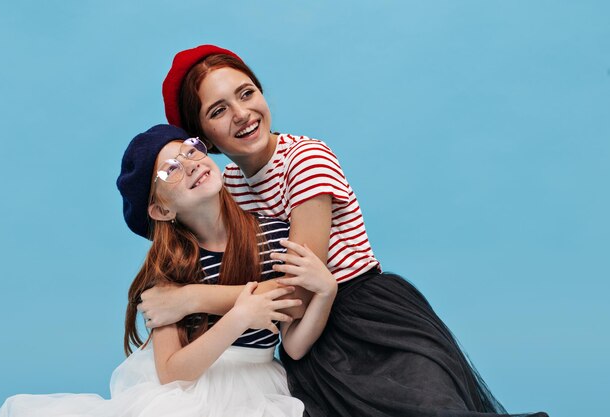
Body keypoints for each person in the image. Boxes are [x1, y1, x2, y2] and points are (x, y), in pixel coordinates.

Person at [136, 44, 549, 417]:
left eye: (247, 93)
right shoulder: (229, 186)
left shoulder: (306, 159)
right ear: (202, 137)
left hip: (367, 317)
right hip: (307, 344)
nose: (242, 114)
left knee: (431, 408)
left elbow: (294, 295)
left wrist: (189, 298)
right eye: (218, 110)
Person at [0, 124, 339, 417]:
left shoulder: (275, 236)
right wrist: (239, 317)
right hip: (190, 388)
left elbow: (293, 345)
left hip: (262, 385)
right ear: (160, 209)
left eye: (190, 150)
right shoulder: (173, 268)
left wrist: (326, 293)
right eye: (170, 169)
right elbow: (172, 371)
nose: (189, 164)